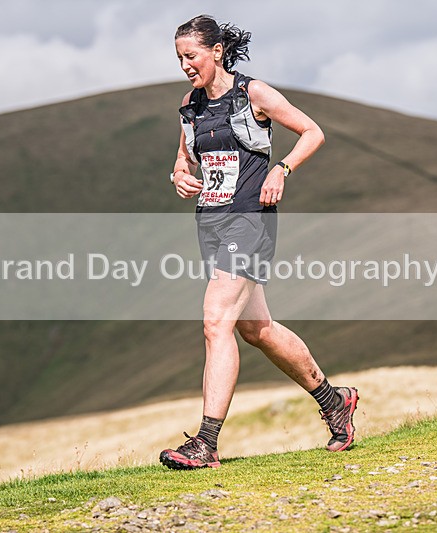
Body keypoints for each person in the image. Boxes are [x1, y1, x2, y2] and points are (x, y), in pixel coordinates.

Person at [159, 15, 358, 470]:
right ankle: (335, 401)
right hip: (211, 223)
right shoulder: (190, 105)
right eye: (179, 59)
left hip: (250, 221)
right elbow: (184, 159)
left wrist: (280, 168)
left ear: (216, 51)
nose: (185, 66)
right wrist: (180, 177)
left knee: (215, 322)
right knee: (255, 329)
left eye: (190, 56)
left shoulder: (254, 94)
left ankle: (205, 443)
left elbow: (313, 131)